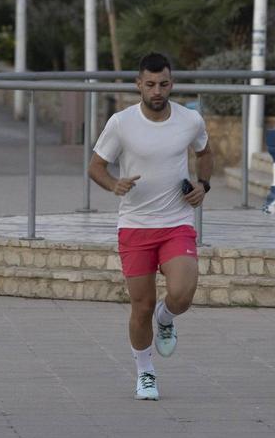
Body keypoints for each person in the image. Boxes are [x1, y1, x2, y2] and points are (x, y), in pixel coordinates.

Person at [86, 52, 213, 401]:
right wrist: (114, 185)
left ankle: (167, 317)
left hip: (176, 222)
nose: (158, 91)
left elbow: (205, 153)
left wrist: (204, 185)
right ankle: (145, 372)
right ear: (138, 85)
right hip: (135, 226)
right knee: (140, 307)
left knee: (183, 292)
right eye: (151, 84)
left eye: (164, 84)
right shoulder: (121, 123)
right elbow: (96, 165)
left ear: (172, 84)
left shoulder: (190, 120)